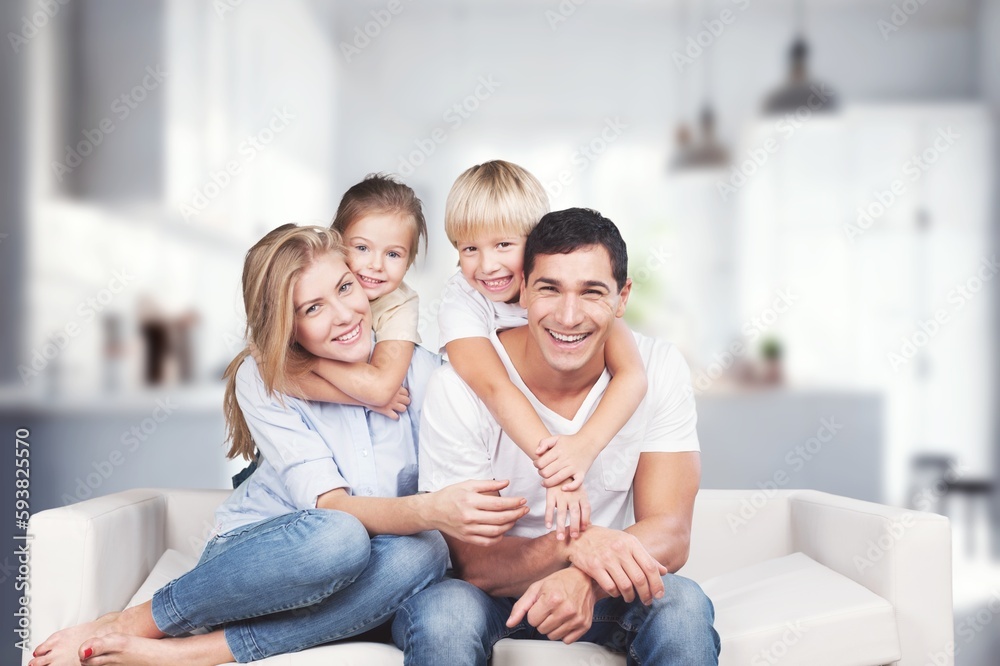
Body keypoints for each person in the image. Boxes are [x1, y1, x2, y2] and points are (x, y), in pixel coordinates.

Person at [29, 224, 529, 666]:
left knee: (425, 553)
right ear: (286, 325)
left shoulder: (424, 374)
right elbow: (335, 509)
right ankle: (135, 622)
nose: (344, 315)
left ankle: (202, 653)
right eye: (313, 308)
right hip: (271, 560)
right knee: (340, 536)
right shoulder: (265, 379)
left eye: (345, 287)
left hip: (382, 575)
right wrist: (431, 509)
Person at [394, 208, 721, 665]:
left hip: (604, 588)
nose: (569, 316)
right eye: (549, 288)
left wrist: (584, 577)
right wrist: (570, 544)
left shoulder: (658, 367)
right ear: (523, 289)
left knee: (682, 605)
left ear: (622, 297)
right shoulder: (458, 386)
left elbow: (671, 532)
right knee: (443, 612)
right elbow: (474, 564)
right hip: (492, 596)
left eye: (592, 292)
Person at [439, 161, 648, 540]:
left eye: (503, 244)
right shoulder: (462, 300)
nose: (487, 266)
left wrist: (583, 448)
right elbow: (494, 387)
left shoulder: (572, 288)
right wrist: (557, 472)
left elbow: (632, 375)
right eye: (469, 248)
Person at [286, 173, 428, 415]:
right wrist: (362, 400)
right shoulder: (308, 280)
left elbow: (381, 389)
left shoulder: (400, 304)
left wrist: (307, 360)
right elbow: (277, 376)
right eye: (362, 248)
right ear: (336, 242)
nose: (376, 265)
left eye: (393, 254)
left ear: (409, 261)